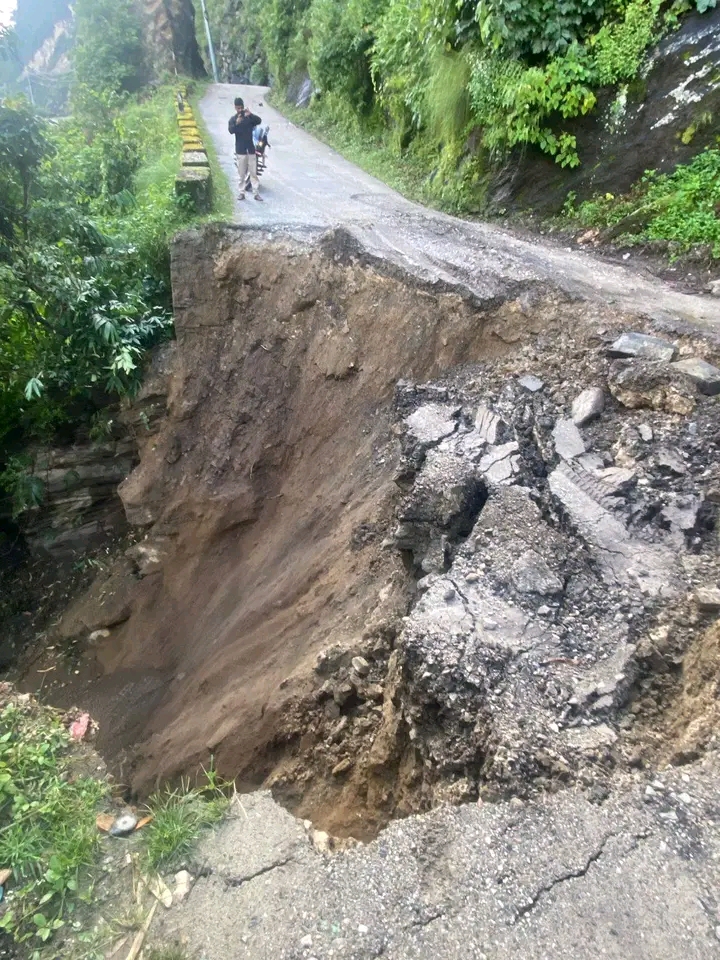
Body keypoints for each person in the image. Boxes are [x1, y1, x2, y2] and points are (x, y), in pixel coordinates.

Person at [228, 97, 263, 202]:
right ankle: (241, 193)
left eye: (241, 108)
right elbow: (231, 130)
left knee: (253, 173)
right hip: (240, 150)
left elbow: (259, 121)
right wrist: (237, 122)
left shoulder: (249, 118)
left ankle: (256, 193)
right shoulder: (233, 119)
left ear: (243, 107)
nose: (240, 110)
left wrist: (250, 114)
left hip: (250, 149)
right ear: (235, 108)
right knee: (241, 173)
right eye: (238, 108)